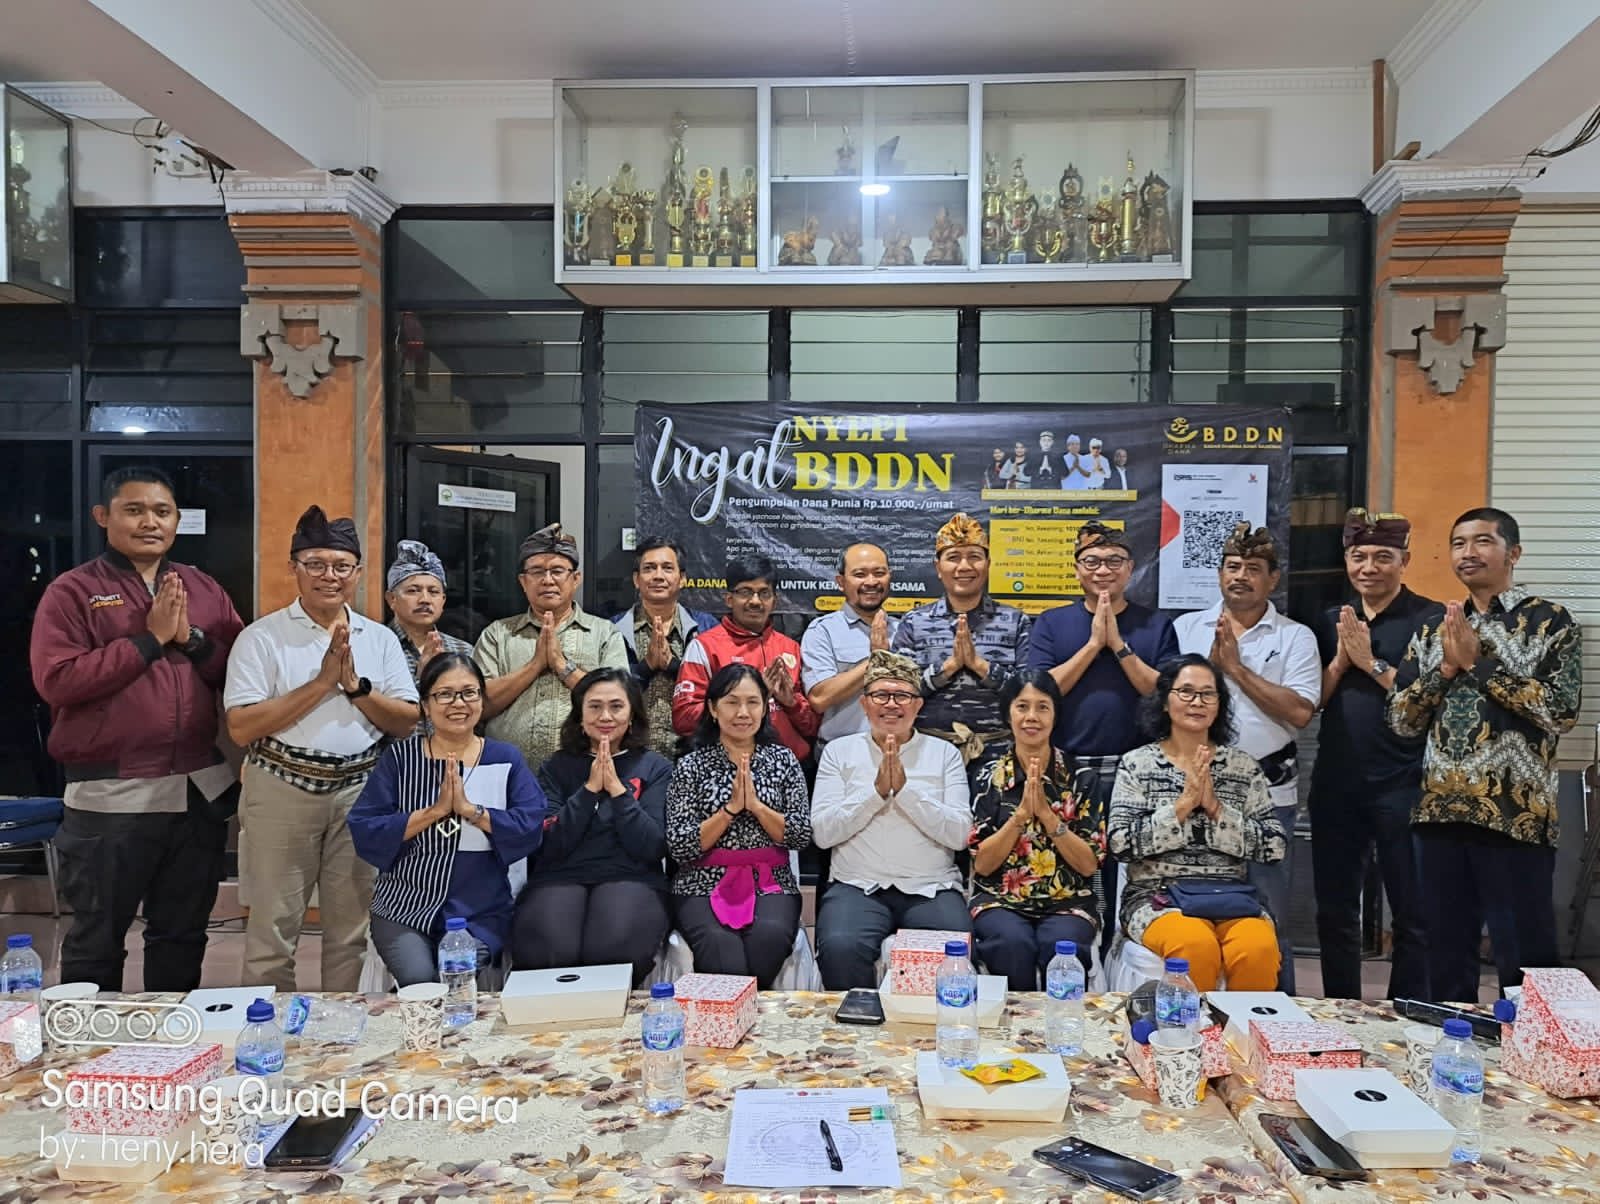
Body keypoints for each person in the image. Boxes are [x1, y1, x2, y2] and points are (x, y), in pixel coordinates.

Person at [29, 466, 244, 992]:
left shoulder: (202, 586)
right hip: (111, 796)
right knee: (96, 941)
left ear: (176, 521)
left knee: (182, 935)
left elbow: (239, 669)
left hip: (197, 793)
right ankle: (85, 1061)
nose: (150, 521)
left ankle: (169, 1051)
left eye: (162, 511)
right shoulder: (73, 592)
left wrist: (190, 638)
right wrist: (147, 642)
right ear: (104, 517)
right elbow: (57, 680)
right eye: (134, 510)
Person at [1389, 507, 1583, 1002]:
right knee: (1444, 950)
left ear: (1513, 553)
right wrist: (1446, 673)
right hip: (1438, 811)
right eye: (1458, 543)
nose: (1467, 553)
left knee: (1525, 951)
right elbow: (1402, 720)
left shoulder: (1548, 621)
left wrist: (1478, 664)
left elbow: (1560, 711)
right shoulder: (1434, 627)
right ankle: (1449, 1052)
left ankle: (1536, 1060)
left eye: (1482, 541)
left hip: (1515, 814)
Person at [224, 505, 419, 992]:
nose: (328, 576)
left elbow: (406, 718)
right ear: (294, 568)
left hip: (360, 792)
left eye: (340, 566)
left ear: (357, 572)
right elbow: (242, 728)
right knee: (273, 929)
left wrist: (355, 688)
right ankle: (272, 1037)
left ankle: (339, 1036)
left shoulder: (378, 638)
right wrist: (321, 684)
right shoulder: (261, 638)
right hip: (281, 790)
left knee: (350, 929)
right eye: (315, 564)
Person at [1173, 523, 1318, 993]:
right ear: (1218, 574)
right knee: (1190, 913)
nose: (1240, 577)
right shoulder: (1186, 628)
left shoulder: (1296, 637)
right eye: (1232, 567)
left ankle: (1283, 1022)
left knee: (1267, 912)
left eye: (1253, 569)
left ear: (1272, 579)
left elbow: (1299, 712)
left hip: (1267, 794)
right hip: (1192, 790)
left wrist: (1234, 668)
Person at [348, 654, 547, 987]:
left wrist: (473, 812)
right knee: (421, 983)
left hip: (480, 911)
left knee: (455, 979)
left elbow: (530, 824)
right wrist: (434, 812)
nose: (459, 703)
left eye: (469, 693)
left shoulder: (504, 758)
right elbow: (366, 826)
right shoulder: (400, 758)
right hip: (404, 906)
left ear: (482, 701)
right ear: (426, 705)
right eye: (445, 694)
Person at [1027, 522, 1176, 950]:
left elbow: (1167, 695)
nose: (1103, 570)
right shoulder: (1053, 623)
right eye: (1092, 561)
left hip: (1140, 772)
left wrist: (1120, 646)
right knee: (1075, 877)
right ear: (1077, 570)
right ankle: (1077, 966)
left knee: (1134, 878)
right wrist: (1093, 645)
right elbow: (1041, 690)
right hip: (1069, 769)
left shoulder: (1155, 624)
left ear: (1131, 568)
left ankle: (1124, 965)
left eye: (1114, 561)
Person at [1312, 509, 1439, 1001]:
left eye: (1383, 557)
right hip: (1337, 781)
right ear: (1346, 560)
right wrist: (1343, 660)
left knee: (1413, 909)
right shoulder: (1331, 620)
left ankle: (1405, 1009)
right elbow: (1313, 700)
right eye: (1358, 556)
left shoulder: (1428, 619)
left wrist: (1371, 662)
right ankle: (1341, 1007)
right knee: (1335, 909)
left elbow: (1428, 698)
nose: (1369, 567)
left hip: (1405, 781)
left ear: (1404, 561)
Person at [1107, 654, 1287, 992]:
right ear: (1165, 701)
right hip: (1156, 898)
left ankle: (1242, 1039)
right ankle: (1192, 1039)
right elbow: (1120, 843)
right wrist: (1182, 806)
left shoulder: (1243, 767)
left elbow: (1275, 847)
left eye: (1208, 694)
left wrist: (1217, 810)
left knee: (1258, 948)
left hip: (1231, 896)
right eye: (1186, 692)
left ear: (1219, 705)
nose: (1197, 702)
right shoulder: (1138, 764)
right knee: (1194, 946)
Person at [811, 651, 971, 989]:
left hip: (931, 887)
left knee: (950, 950)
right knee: (840, 946)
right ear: (865, 703)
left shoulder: (945, 754)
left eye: (902, 696)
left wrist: (905, 791)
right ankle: (857, 1033)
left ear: (917, 705)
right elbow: (823, 833)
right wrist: (877, 793)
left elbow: (960, 835)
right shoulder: (838, 752)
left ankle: (927, 1039)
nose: (892, 704)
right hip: (857, 885)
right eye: (881, 695)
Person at [512, 669, 674, 986]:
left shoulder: (655, 767)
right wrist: (587, 791)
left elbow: (653, 845)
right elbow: (549, 843)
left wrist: (616, 790)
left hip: (632, 876)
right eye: (594, 706)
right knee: (549, 950)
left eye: (616, 706)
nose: (605, 716)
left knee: (613, 948)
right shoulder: (556, 767)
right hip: (561, 875)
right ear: (580, 715)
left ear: (632, 716)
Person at [666, 665, 813, 987]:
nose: (743, 712)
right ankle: (727, 1024)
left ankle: (746, 1018)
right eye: (732, 702)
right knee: (720, 947)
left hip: (771, 879)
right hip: (699, 882)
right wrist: (730, 809)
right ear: (713, 709)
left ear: (765, 708)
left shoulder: (783, 760)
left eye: (753, 702)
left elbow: (801, 835)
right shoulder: (691, 765)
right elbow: (679, 845)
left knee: (770, 937)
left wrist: (757, 807)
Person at [969, 671, 1107, 989]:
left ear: (1056, 715)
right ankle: (1012, 1031)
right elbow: (983, 865)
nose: (1032, 717)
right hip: (1000, 899)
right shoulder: (988, 776)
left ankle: (1059, 1029)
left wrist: (1047, 816)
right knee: (1010, 943)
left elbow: (1088, 864)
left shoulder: (1081, 778)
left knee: (1062, 944)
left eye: (1043, 707)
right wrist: (1019, 817)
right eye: (1022, 707)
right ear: (1008, 713)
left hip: (1069, 901)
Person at [475, 523, 627, 773]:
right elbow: (479, 704)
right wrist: (535, 665)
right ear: (523, 581)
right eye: (536, 571)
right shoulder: (497, 634)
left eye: (557, 570)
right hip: (505, 773)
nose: (547, 580)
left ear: (575, 579)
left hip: (586, 774)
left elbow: (618, 701)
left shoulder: (604, 633)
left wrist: (560, 665)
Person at [890, 513, 1031, 764]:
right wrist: (948, 667)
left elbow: (1028, 695)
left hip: (1000, 755)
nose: (964, 567)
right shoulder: (914, 622)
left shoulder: (1015, 621)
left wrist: (980, 666)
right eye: (953, 557)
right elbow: (902, 692)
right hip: (927, 754)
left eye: (974, 557)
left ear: (988, 564)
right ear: (938, 567)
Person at [672, 555, 819, 763]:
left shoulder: (790, 647)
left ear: (775, 601)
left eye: (764, 593)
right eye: (745, 592)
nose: (755, 601)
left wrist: (791, 703)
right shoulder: (705, 646)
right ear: (729, 599)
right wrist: (751, 695)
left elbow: (813, 725)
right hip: (724, 766)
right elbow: (683, 719)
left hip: (789, 769)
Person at [610, 537, 716, 761]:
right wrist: (645, 668)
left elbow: (721, 693)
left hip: (693, 756)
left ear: (682, 579)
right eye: (649, 569)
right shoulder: (612, 630)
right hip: (628, 756)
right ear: (636, 580)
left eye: (667, 568)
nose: (658, 576)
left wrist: (675, 667)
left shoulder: (707, 628)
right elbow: (605, 694)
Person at [802, 543, 899, 746]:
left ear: (889, 577)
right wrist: (877, 659)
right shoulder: (822, 631)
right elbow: (819, 699)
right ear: (841, 582)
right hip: (841, 754)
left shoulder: (905, 631)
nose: (871, 582)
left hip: (899, 751)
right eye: (860, 574)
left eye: (879, 573)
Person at [385, 539, 473, 682]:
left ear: (443, 600)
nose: (425, 599)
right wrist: (423, 677)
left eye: (433, 592)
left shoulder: (463, 650)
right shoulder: (377, 646)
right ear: (391, 599)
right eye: (413, 591)